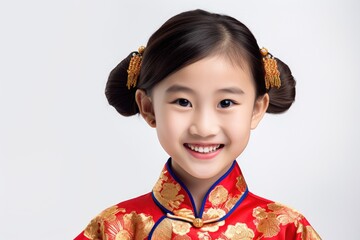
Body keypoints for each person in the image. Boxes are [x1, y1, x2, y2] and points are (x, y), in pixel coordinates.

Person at [75, 9, 321, 240]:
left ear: (256, 109)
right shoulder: (114, 229)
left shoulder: (288, 229)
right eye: (183, 102)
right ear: (148, 108)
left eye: (226, 102)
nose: (204, 127)